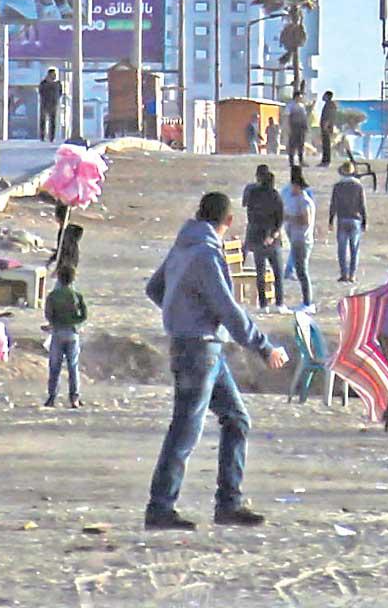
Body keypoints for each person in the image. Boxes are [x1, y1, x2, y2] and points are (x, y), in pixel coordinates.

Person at [143, 192, 290, 531]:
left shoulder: (183, 245)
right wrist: (264, 347)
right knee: (186, 428)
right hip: (199, 349)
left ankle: (229, 503)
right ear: (228, 222)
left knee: (237, 419)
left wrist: (180, 311)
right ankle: (160, 506)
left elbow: (155, 289)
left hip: (202, 346)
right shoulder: (206, 255)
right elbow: (228, 309)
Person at [243, 165, 286, 312]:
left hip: (257, 237)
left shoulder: (252, 193)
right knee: (278, 273)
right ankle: (279, 303)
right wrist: (273, 234)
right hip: (273, 240)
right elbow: (280, 218)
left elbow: (249, 213)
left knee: (260, 273)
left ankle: (263, 305)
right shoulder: (275, 195)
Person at [43, 265, 87, 408]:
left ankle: (52, 397)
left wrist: (54, 323)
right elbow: (84, 315)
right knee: (73, 367)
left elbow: (48, 314)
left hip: (57, 333)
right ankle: (74, 397)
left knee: (54, 367)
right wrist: (73, 322)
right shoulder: (76, 295)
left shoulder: (53, 296)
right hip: (72, 333)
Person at [281, 166, 316, 313]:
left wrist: (289, 218)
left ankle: (308, 303)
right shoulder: (298, 200)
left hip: (302, 240)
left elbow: (305, 220)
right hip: (297, 238)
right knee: (301, 270)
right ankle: (306, 301)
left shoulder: (304, 201)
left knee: (302, 271)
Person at [329, 163, 368, 284]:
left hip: (342, 218)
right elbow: (362, 204)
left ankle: (343, 274)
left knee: (342, 249)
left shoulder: (338, 186)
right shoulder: (358, 186)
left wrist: (330, 220)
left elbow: (333, 204)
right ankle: (352, 275)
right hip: (355, 219)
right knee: (354, 249)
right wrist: (365, 221)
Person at [284, 92, 309, 167]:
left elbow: (304, 117)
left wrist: (306, 126)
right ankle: (291, 162)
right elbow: (287, 117)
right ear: (295, 97)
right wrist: (288, 127)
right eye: (299, 97)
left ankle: (301, 161)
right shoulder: (290, 105)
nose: (300, 99)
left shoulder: (302, 106)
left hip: (301, 128)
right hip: (293, 127)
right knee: (292, 145)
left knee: (301, 145)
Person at [39, 68, 63, 143]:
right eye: (53, 74)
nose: (54, 76)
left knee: (53, 121)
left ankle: (51, 137)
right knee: (43, 120)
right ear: (49, 74)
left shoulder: (58, 83)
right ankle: (42, 136)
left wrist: (56, 99)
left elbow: (60, 92)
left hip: (53, 104)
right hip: (45, 103)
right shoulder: (43, 83)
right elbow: (41, 91)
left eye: (55, 75)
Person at [318, 91, 337, 167]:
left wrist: (326, 124)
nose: (323, 97)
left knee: (326, 144)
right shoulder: (328, 104)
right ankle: (324, 160)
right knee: (325, 144)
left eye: (324, 95)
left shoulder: (330, 104)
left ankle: (326, 160)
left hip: (327, 127)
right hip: (325, 126)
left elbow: (329, 115)